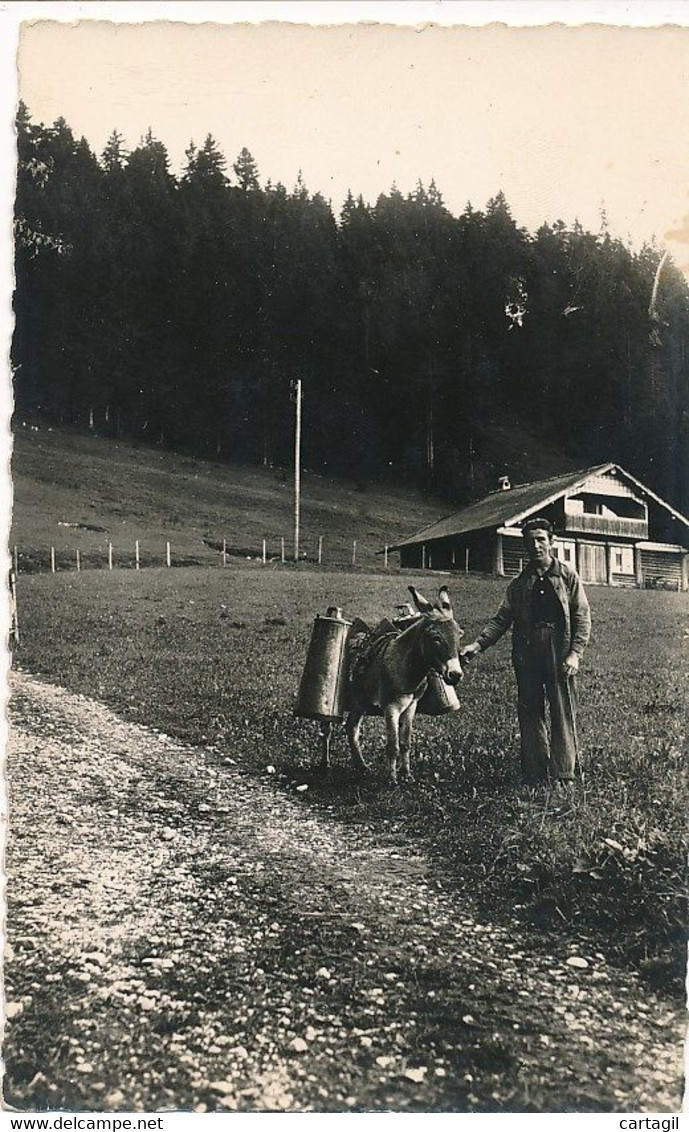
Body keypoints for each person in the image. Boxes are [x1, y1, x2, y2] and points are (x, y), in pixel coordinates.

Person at [460, 517, 591, 790]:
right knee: (530, 709)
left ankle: (563, 774)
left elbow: (582, 615)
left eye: (541, 539)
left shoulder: (567, 576)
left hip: (559, 646)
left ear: (552, 542)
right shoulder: (519, 583)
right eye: (530, 541)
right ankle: (534, 772)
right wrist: (478, 645)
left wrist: (575, 653)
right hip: (527, 650)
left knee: (561, 708)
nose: (536, 545)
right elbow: (501, 619)